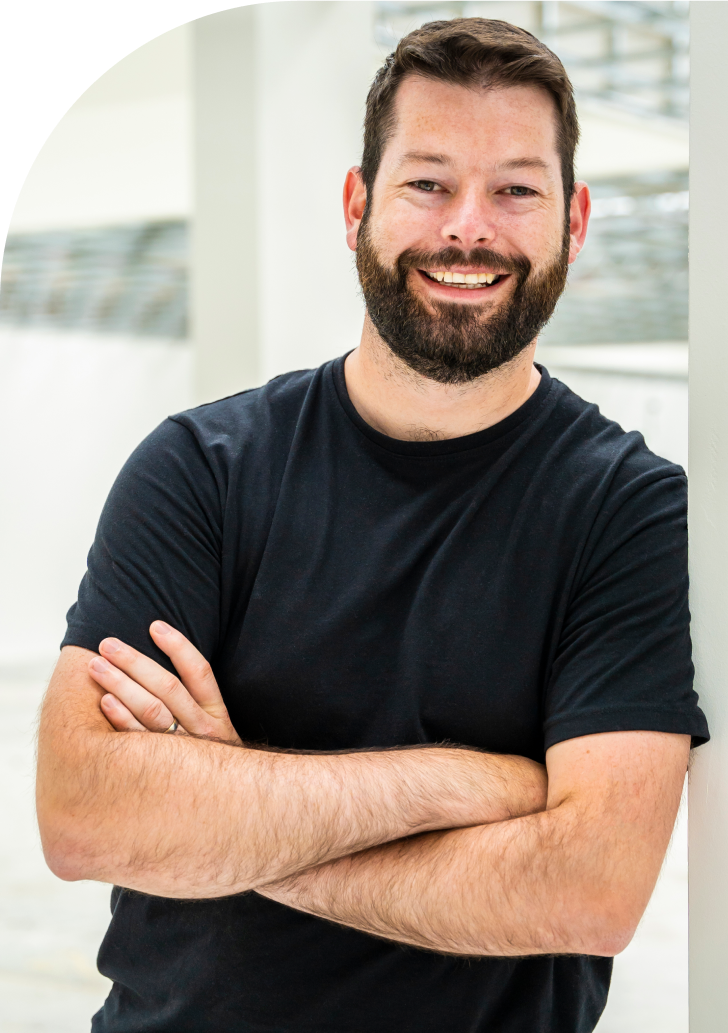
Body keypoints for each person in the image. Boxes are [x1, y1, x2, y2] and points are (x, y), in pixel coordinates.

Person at [36, 18, 707, 1033]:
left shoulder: (630, 512)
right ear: (358, 204)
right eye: (426, 182)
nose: (466, 228)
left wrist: (231, 814)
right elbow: (85, 816)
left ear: (572, 221)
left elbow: (586, 889)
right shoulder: (199, 472)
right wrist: (458, 783)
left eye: (515, 189)